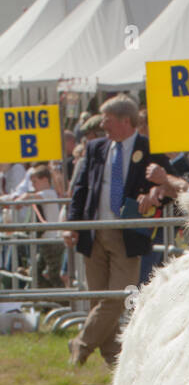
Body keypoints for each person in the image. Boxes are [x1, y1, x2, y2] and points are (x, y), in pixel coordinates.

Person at [63, 94, 167, 367]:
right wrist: (74, 225)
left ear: (125, 121)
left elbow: (166, 187)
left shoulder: (150, 147)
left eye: (107, 120)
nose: (103, 125)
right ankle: (113, 359)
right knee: (98, 297)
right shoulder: (96, 147)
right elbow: (81, 189)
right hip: (94, 231)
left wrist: (154, 194)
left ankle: (81, 344)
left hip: (127, 234)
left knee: (118, 296)